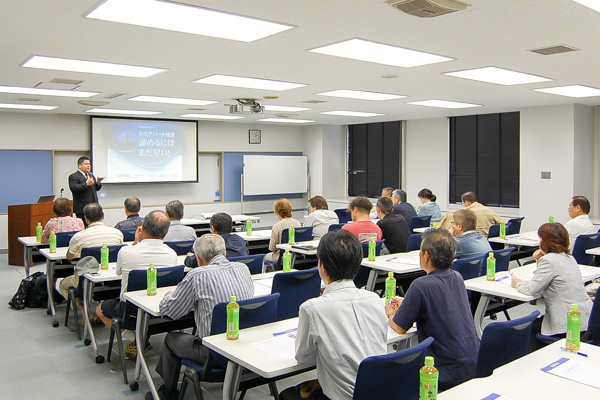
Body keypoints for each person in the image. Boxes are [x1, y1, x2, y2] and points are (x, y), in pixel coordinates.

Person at [279, 230, 387, 400]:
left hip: (344, 396)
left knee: (286, 395)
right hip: (379, 392)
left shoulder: (312, 308)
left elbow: (303, 357)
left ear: (322, 266)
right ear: (358, 264)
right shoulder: (375, 299)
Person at [147, 234, 254, 400]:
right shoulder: (243, 268)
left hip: (213, 354)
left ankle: (168, 392)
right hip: (244, 347)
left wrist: (168, 296)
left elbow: (172, 311)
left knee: (170, 339)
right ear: (225, 253)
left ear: (198, 258)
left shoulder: (197, 275)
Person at [385, 229, 478, 391]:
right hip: (473, 364)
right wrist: (408, 303)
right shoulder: (457, 276)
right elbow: (442, 304)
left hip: (444, 372)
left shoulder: (420, 285)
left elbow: (400, 328)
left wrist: (390, 313)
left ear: (426, 256)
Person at [96, 210, 177, 356]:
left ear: (142, 229)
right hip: (157, 309)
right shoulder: (172, 253)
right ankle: (140, 338)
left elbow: (118, 272)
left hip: (130, 311)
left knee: (99, 309)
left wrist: (135, 242)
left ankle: (135, 338)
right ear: (165, 234)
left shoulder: (126, 251)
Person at [512, 223, 593, 338]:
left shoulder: (549, 260)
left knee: (526, 328)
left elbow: (532, 289)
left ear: (545, 242)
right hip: (584, 319)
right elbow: (542, 282)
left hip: (566, 322)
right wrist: (539, 261)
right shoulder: (569, 257)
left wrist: (518, 284)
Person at [56, 203, 123, 304]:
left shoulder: (78, 237)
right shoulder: (117, 233)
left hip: (83, 279)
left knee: (61, 285)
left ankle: (83, 312)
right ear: (103, 216)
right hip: (111, 277)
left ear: (86, 219)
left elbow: (69, 257)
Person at [184, 212, 249, 267]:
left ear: (213, 228)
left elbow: (195, 262)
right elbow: (246, 253)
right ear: (231, 228)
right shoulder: (240, 240)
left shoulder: (210, 243)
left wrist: (189, 257)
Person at [438, 191, 503, 237]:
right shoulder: (488, 210)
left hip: (473, 238)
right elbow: (502, 223)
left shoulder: (465, 213)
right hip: (488, 240)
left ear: (467, 203)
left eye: (463, 203)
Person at [264, 198, 302, 266]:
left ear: (277, 212)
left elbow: (272, 248)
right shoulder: (298, 223)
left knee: (264, 257)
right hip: (295, 256)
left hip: (281, 257)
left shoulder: (277, 226)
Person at [68, 156, 104, 224]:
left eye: (89, 164)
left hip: (94, 207)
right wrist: (86, 184)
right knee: (83, 227)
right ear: (79, 165)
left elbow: (95, 189)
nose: (88, 166)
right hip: (82, 208)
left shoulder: (91, 175)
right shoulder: (74, 176)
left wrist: (98, 182)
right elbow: (74, 188)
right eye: (86, 164)